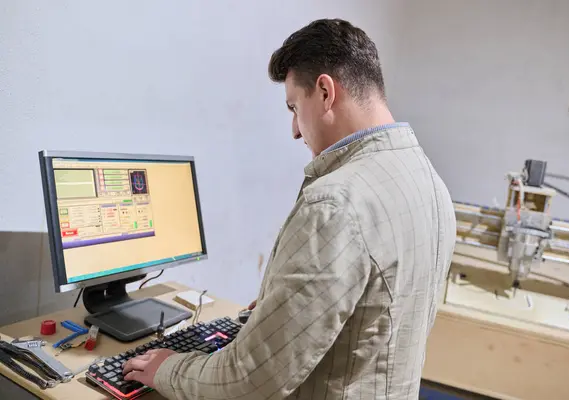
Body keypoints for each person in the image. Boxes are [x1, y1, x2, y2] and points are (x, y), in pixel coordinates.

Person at [123, 18, 456, 399]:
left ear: (326, 92)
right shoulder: (428, 181)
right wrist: (276, 312)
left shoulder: (335, 204)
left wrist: (169, 368)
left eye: (294, 107)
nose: (295, 130)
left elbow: (248, 381)